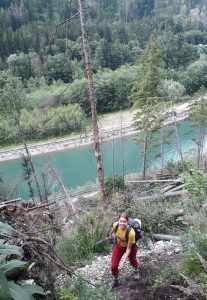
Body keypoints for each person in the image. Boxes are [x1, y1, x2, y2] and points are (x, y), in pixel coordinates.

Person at [109, 212, 139, 289]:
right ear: (118, 221)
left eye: (124, 221)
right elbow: (112, 232)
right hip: (119, 245)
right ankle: (115, 280)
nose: (122, 223)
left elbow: (128, 249)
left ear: (127, 221)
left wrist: (123, 261)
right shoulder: (115, 225)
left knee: (133, 261)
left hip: (130, 247)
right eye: (120, 221)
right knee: (113, 266)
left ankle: (136, 270)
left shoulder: (131, 233)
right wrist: (111, 236)